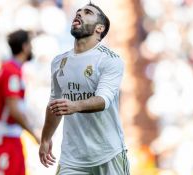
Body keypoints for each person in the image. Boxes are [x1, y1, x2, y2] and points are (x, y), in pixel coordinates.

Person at [39, 3, 130, 175]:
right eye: (78, 12)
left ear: (99, 28)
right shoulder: (59, 62)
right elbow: (54, 104)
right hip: (72, 159)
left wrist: (75, 106)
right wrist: (45, 138)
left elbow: (103, 100)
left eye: (87, 12)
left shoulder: (110, 60)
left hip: (108, 153)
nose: (79, 14)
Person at [0, 29, 40, 175]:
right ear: (24, 47)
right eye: (30, 44)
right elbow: (13, 110)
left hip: (7, 139)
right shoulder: (11, 72)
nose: (32, 48)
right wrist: (34, 135)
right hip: (5, 141)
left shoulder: (7, 69)